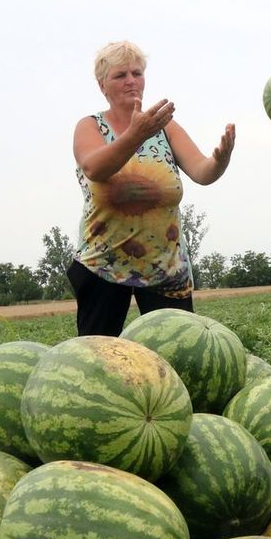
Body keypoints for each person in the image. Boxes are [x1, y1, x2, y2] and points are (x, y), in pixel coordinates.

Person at [68, 40, 236, 336]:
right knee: (99, 361)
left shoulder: (165, 127)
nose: (131, 81)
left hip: (166, 267)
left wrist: (220, 161)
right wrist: (135, 135)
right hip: (103, 266)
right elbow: (95, 168)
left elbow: (202, 171)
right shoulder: (90, 126)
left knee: (179, 355)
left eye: (137, 73)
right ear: (102, 85)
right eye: (120, 75)